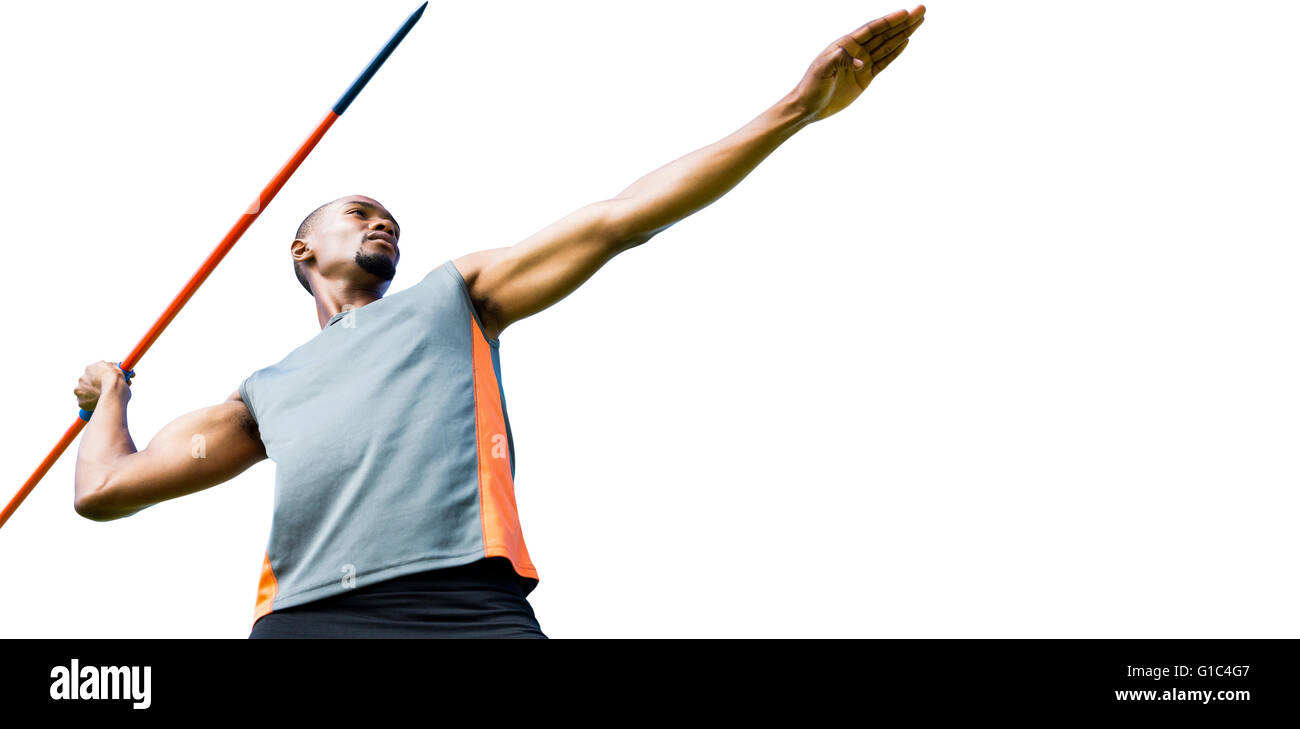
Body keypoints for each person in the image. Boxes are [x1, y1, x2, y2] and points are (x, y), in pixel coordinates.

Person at [70, 6, 927, 638]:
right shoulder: (265, 390)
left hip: (466, 608)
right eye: (362, 212)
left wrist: (795, 108)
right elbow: (103, 493)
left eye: (392, 223)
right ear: (301, 251)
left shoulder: (453, 296)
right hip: (310, 618)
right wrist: (110, 393)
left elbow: (620, 217)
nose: (384, 226)